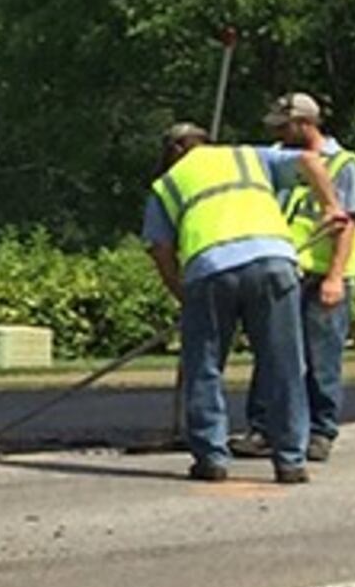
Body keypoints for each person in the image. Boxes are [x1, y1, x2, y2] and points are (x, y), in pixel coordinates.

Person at [142, 122, 336, 484]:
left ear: (172, 153)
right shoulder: (247, 156)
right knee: (284, 365)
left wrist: (182, 293)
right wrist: (331, 205)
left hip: (210, 271)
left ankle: (211, 458)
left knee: (205, 366)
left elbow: (161, 250)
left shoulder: (165, 184)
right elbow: (312, 159)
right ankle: (290, 460)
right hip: (274, 263)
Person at [253, 91, 355, 462]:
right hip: (290, 269)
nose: (280, 135)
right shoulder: (286, 162)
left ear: (306, 124)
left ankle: (321, 431)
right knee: (274, 352)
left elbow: (347, 224)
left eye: (285, 127)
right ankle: (266, 429)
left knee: (321, 358)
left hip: (324, 276)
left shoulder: (344, 164)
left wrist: (335, 277)